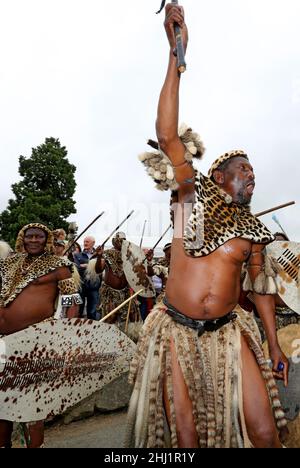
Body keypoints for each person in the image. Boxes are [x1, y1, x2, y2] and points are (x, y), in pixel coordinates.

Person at [125, 4, 288, 448]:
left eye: (254, 172)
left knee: (264, 432)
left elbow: (261, 288)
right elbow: (167, 137)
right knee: (187, 440)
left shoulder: (253, 230)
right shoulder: (189, 197)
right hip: (174, 335)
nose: (251, 175)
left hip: (230, 335)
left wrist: (273, 344)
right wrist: (176, 57)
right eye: (242, 169)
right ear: (218, 176)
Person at [0, 223, 81, 448]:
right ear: (22, 239)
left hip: (34, 342)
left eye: (38, 236)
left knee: (30, 403)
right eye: (29, 236)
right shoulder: (8, 263)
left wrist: (69, 333)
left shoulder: (59, 265)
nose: (33, 240)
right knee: (1, 403)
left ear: (46, 240)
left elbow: (72, 301)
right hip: (3, 343)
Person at [95, 233, 139, 330]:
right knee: (111, 317)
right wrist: (98, 257)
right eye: (117, 240)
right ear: (113, 241)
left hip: (126, 292)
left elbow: (135, 274)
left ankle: (128, 338)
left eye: (123, 240)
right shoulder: (107, 254)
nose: (120, 242)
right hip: (110, 293)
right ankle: (108, 338)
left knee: (132, 317)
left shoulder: (129, 256)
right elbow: (98, 270)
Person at [74, 236, 100, 320]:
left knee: (92, 312)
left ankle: (92, 330)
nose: (85, 243)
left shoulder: (98, 256)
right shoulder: (77, 255)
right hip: (81, 286)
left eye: (87, 242)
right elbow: (77, 268)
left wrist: (86, 265)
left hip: (94, 286)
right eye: (84, 241)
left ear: (93, 243)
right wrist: (92, 265)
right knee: (79, 310)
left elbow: (99, 269)